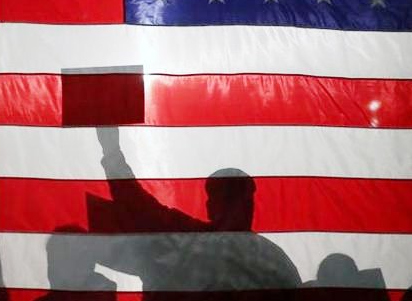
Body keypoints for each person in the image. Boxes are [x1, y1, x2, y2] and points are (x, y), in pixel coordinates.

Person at [95, 127, 300, 297]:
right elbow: (137, 203)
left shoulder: (187, 241)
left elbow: (136, 203)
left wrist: (111, 150)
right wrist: (112, 151)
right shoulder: (276, 261)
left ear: (211, 206)